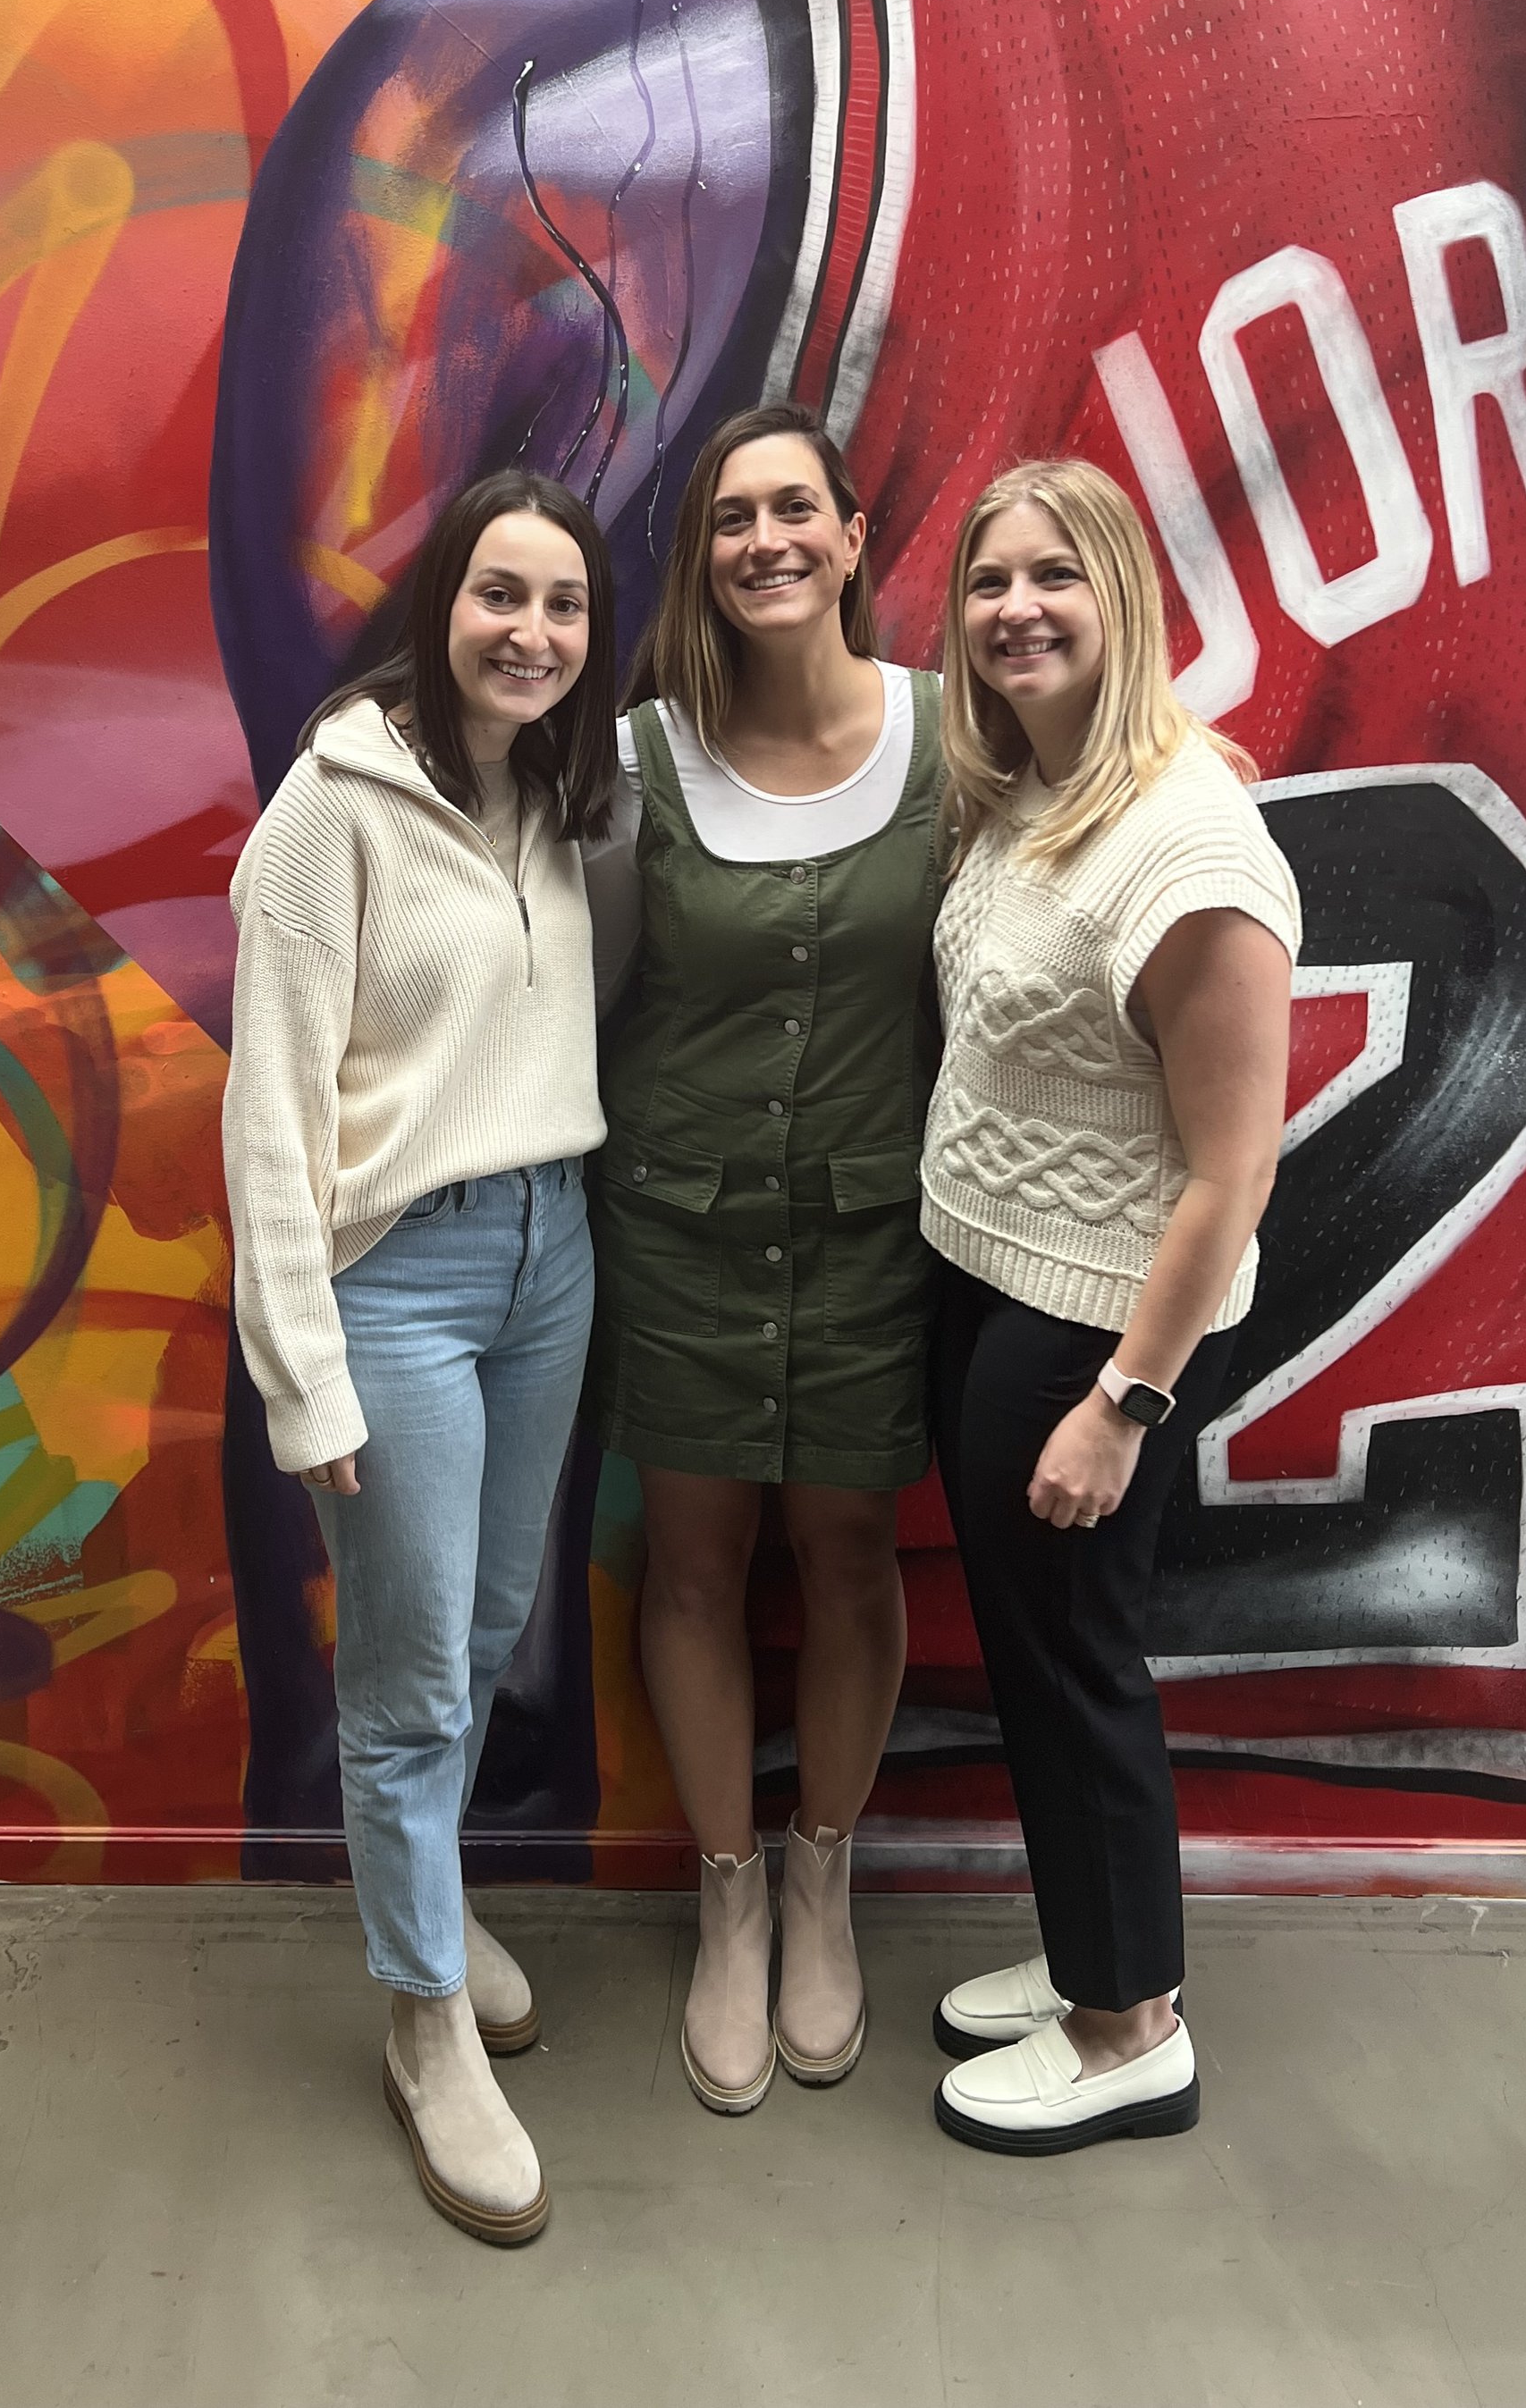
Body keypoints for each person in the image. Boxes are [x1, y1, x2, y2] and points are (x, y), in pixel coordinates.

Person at [223, 469, 617, 2247]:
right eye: (497, 594)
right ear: (437, 601)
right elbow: (266, 1118)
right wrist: (301, 1373)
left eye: (561, 604)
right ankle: (422, 2011)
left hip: (552, 1255)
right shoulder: (335, 806)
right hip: (402, 1281)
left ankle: (432, 1901)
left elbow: (862, 734)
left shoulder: (564, 792)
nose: (528, 631)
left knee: (480, 1624)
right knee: (408, 1679)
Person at [921, 459, 1297, 2158]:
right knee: (1037, 1651)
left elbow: (1229, 1171)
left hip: (1092, 1330)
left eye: (1055, 576)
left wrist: (1125, 1399)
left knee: (1076, 1662)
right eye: (990, 580)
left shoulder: (1189, 837)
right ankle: (1100, 1953)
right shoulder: (1035, 788)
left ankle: (1129, 2026)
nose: (1017, 608)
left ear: (1123, 596)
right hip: (995, 1284)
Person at [582, 401, 943, 2114]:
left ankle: (823, 1873)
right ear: (703, 557)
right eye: (732, 516)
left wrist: (1191, 765)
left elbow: (1108, 787)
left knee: (856, 1553)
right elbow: (567, 975)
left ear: (855, 534)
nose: (765, 539)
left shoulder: (955, 741)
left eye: (796, 506)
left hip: (878, 1236)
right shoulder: (644, 760)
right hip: (682, 1228)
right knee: (695, 1564)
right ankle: (728, 1899)